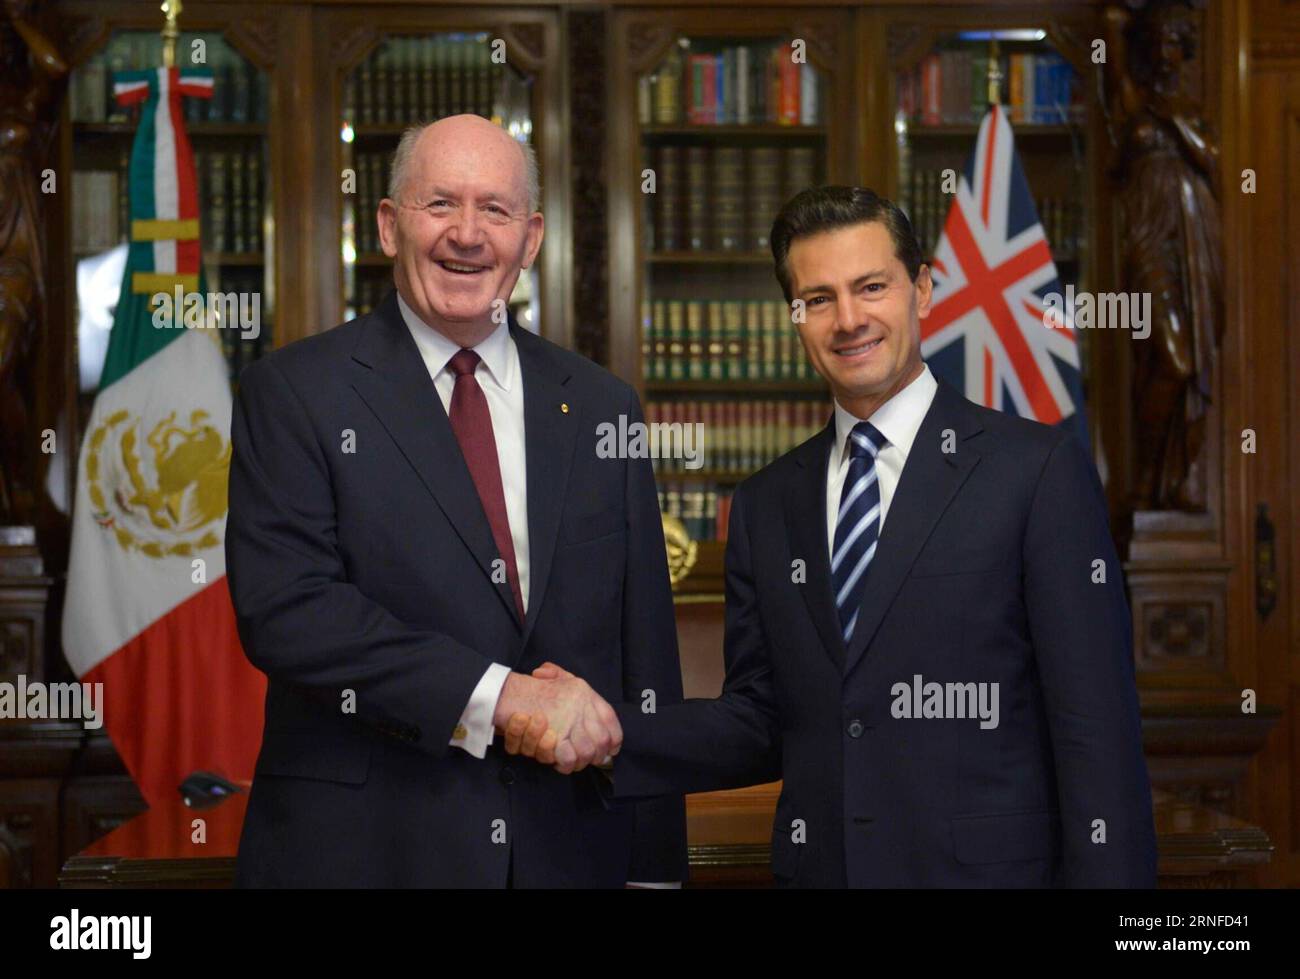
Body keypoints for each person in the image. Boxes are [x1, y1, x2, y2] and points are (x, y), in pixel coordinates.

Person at [514, 186, 1156, 888]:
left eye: (871, 286)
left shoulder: (1035, 472)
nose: (848, 320)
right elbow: (763, 719)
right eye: (818, 299)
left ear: (923, 290)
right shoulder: (765, 505)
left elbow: (1096, 738)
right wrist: (610, 733)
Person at [226, 114, 686, 887]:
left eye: (495, 210)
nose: (467, 234)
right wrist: (498, 695)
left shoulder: (604, 407)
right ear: (386, 225)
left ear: (531, 238)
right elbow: (288, 610)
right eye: (439, 204)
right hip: (367, 855)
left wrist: (656, 869)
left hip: (567, 854)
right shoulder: (296, 392)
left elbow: (645, 651)